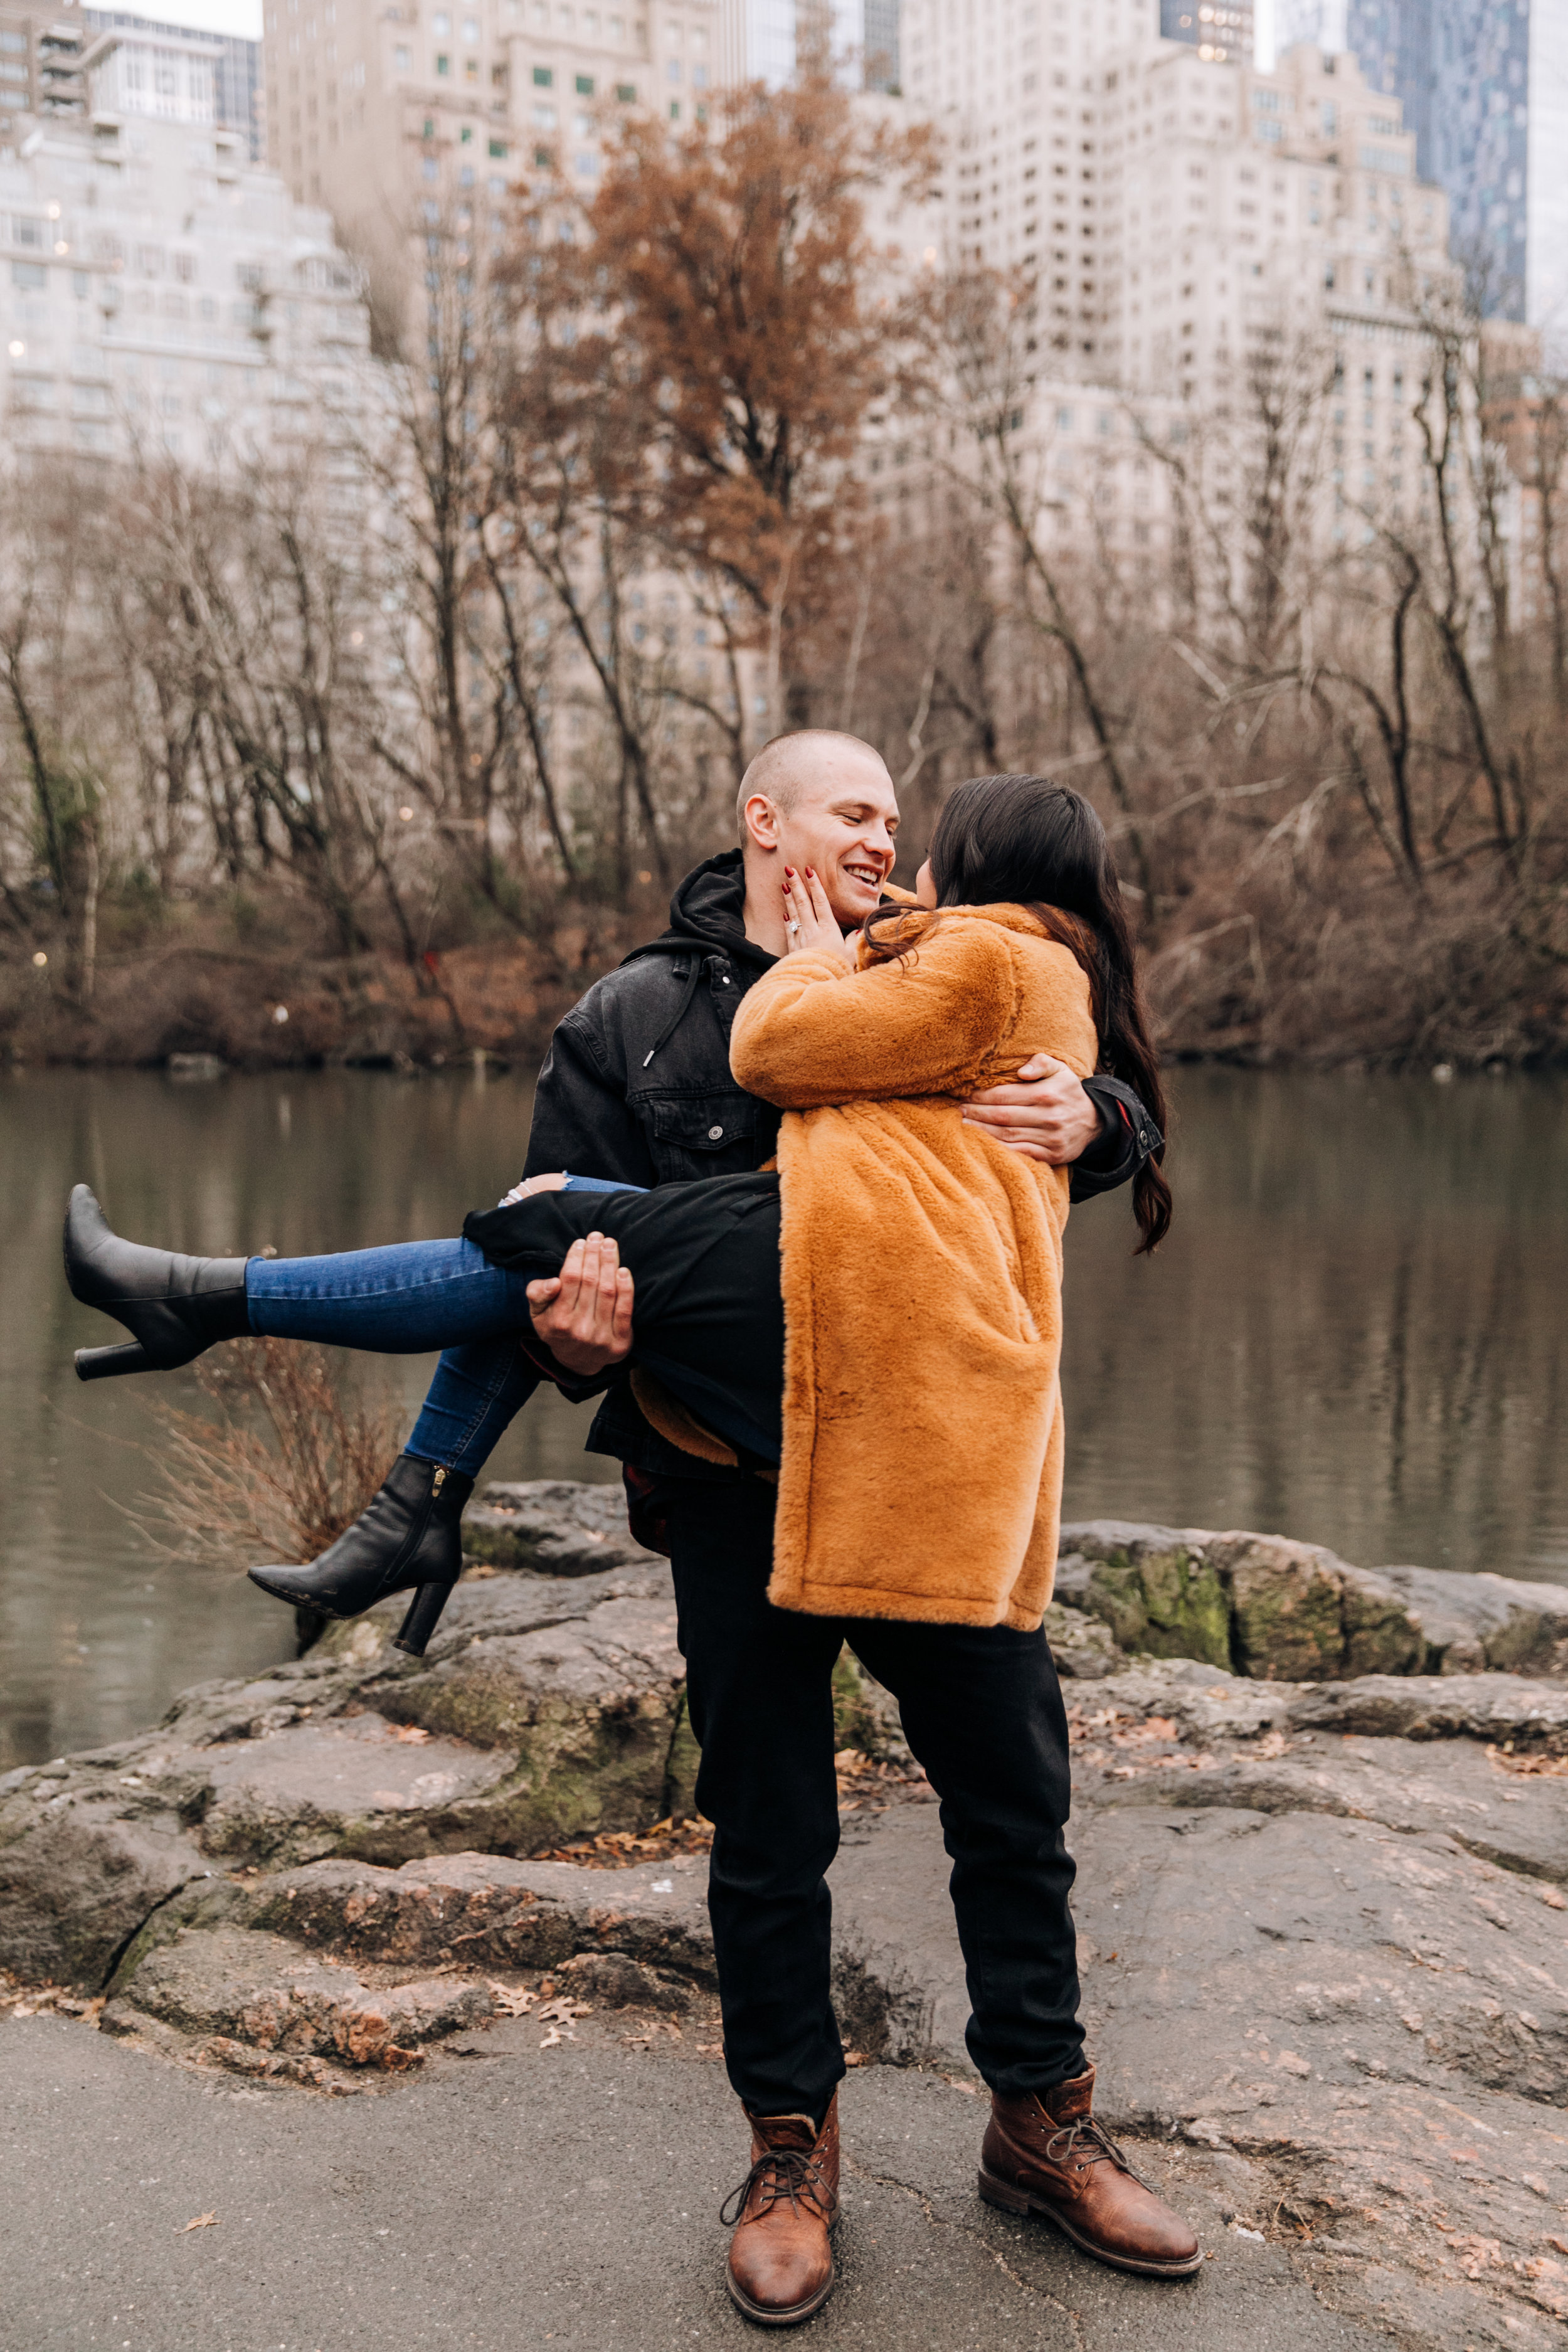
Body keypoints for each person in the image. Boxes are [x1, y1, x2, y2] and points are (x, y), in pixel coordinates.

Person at [65, 741, 1192, 2324]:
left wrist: (1105, 1122)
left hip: (930, 1466)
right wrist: (577, 1344)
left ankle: (1042, 2124)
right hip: (728, 1468)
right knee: (766, 1825)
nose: (883, 839)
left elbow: (1042, 1082)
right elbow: (540, 1282)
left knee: (1013, 1802)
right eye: (852, 814)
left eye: (896, 819)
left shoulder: (923, 963)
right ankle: (789, 2151)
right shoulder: (632, 1017)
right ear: (764, 824)